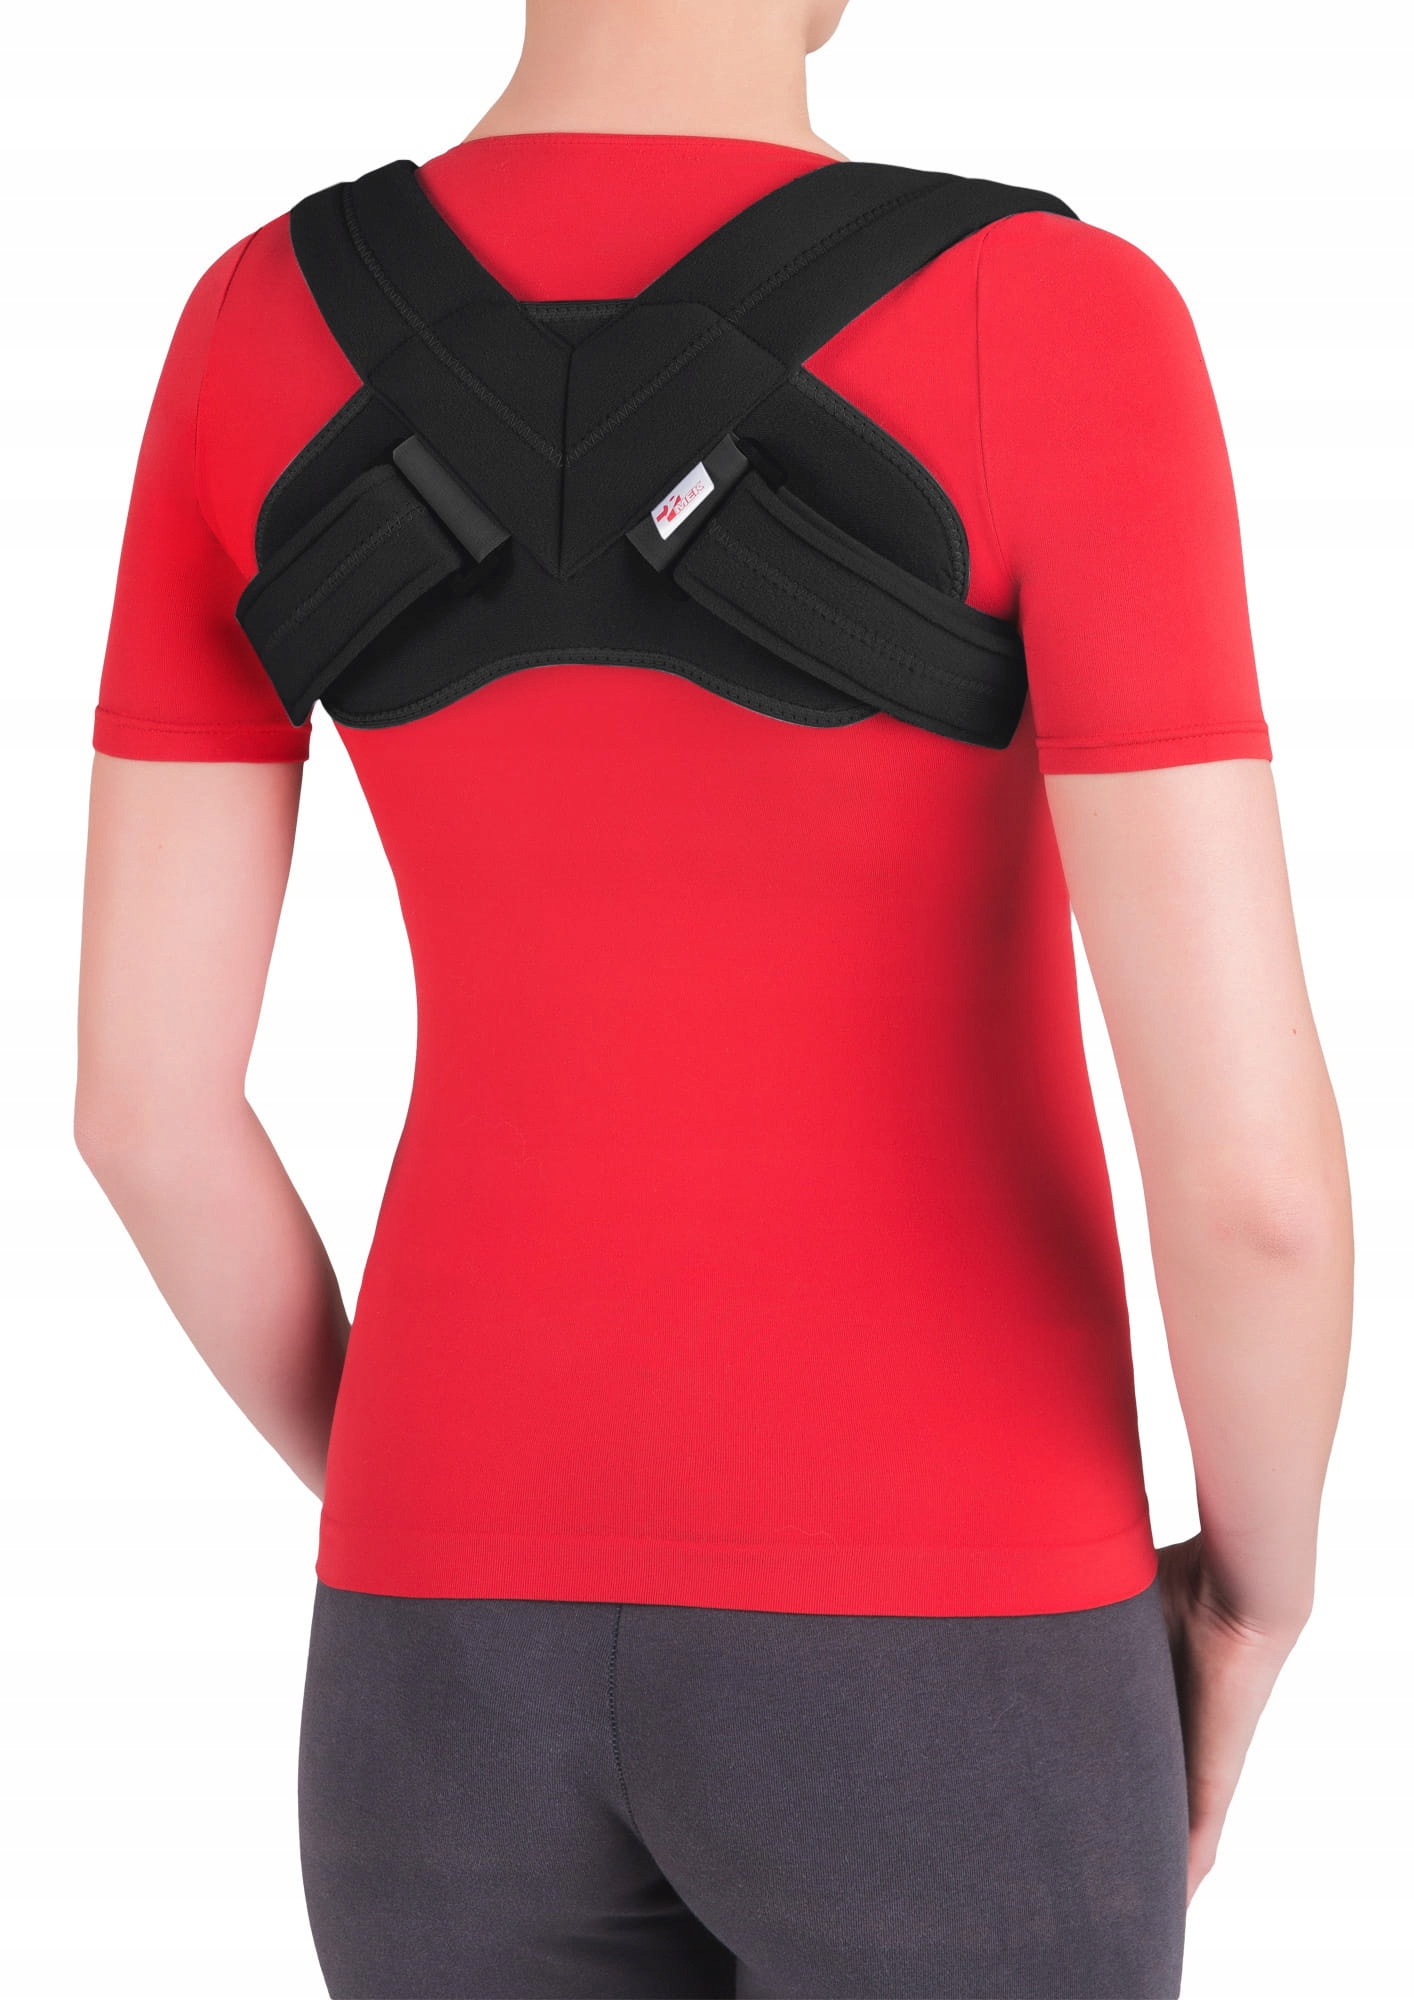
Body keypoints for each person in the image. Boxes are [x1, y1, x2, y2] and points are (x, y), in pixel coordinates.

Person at [74, 2, 1353, 1995]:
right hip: (952, 1628)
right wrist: (1251, 1594)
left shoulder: (253, 325)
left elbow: (143, 1113)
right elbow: (1248, 1180)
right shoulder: (1050, 315)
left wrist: (437, 1493)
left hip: (433, 1651)